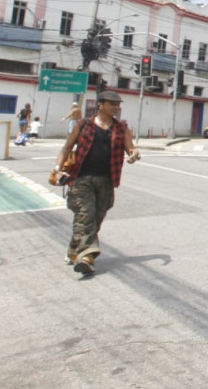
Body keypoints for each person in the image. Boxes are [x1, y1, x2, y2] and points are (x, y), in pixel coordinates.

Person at [53, 90, 141, 275]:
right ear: (100, 105)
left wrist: (134, 155)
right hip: (81, 179)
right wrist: (57, 168)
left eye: (118, 105)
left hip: (106, 181)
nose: (117, 107)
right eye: (113, 104)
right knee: (85, 215)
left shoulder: (122, 128)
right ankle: (87, 258)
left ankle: (74, 249)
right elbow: (67, 148)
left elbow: (131, 149)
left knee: (95, 219)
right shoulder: (83, 125)